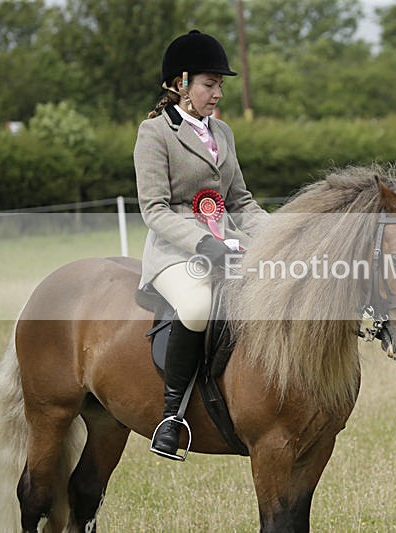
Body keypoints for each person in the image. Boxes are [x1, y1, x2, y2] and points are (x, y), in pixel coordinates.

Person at [134, 30, 268, 459]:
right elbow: (154, 209)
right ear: (181, 83)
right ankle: (171, 417)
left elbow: (240, 202)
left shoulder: (223, 132)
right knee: (196, 307)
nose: (218, 94)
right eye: (210, 84)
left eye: (220, 85)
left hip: (229, 246)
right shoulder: (155, 133)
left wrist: (280, 237)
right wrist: (201, 242)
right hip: (176, 251)